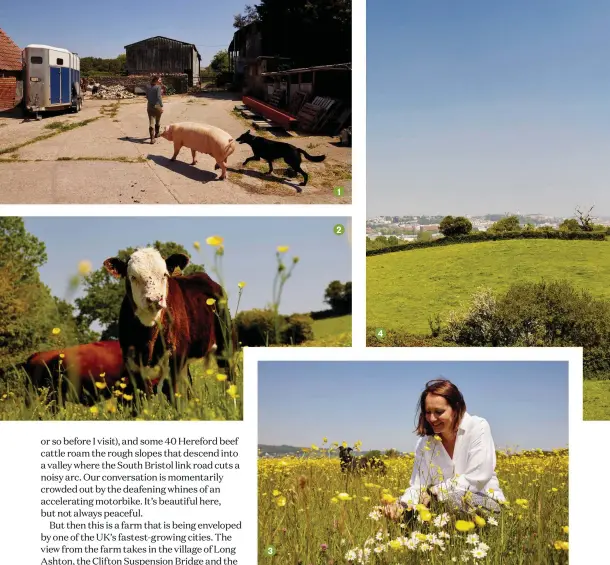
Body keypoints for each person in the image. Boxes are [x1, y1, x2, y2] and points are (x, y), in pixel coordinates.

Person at [385, 379, 506, 520]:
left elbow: (478, 478)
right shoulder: (425, 443)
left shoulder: (477, 427)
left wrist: (435, 492)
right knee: (404, 513)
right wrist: (403, 505)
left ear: (456, 409)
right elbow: (418, 486)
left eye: (439, 412)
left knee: (454, 499)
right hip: (442, 505)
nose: (432, 418)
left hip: (485, 502)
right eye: (428, 412)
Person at [146, 75, 164, 144]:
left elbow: (147, 96)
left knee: (151, 122)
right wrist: (161, 106)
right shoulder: (158, 87)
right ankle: (157, 134)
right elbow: (159, 97)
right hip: (157, 106)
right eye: (159, 80)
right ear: (156, 80)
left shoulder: (147, 87)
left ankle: (152, 139)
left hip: (149, 106)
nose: (161, 81)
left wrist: (151, 101)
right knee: (158, 120)